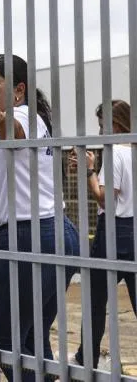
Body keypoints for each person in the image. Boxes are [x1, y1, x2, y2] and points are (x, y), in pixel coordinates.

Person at [0, 54, 79, 382]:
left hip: (29, 236)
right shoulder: (22, 122)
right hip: (50, 232)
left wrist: (1, 119)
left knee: (3, 339)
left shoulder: (23, 116)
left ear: (18, 90)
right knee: (31, 338)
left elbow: (15, 131)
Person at [71, 100, 136, 367]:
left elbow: (104, 199)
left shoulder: (115, 153)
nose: (100, 133)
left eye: (102, 126)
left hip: (114, 230)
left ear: (115, 124)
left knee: (95, 300)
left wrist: (89, 171)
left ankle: (88, 357)